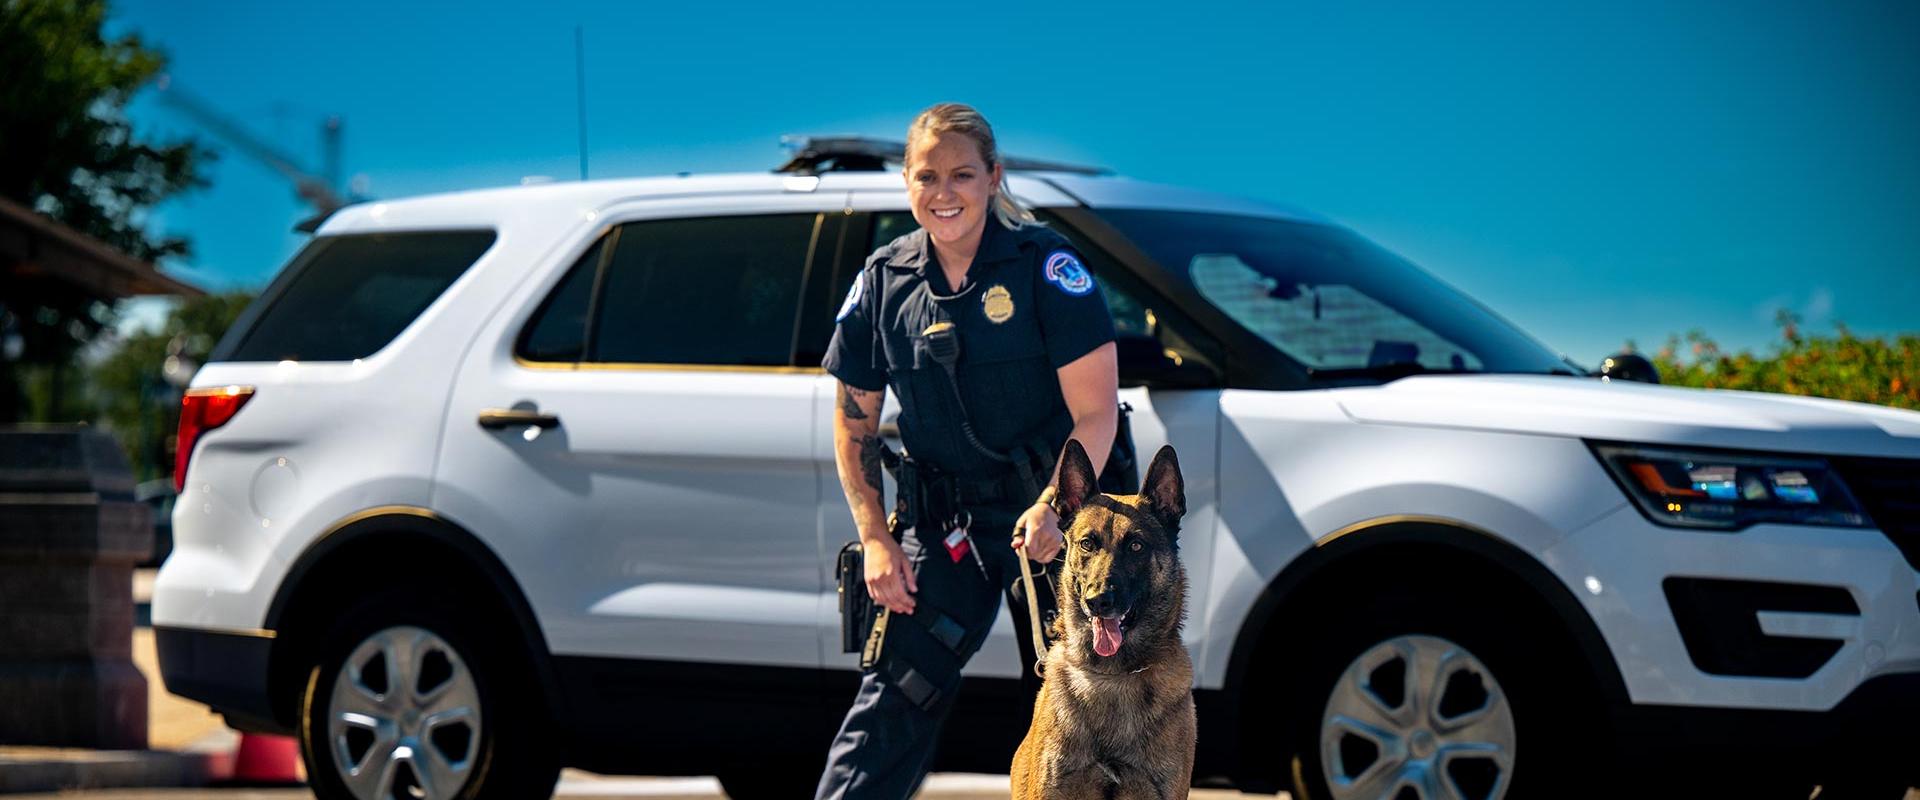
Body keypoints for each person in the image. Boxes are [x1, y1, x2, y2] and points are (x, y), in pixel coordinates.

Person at [815, 102, 1120, 800]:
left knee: (1088, 713)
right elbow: (854, 426)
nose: (943, 193)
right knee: (894, 694)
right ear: (907, 182)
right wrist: (874, 540)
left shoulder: (1047, 268)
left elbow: (1097, 413)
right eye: (927, 176)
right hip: (946, 526)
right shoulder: (884, 284)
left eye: (961, 174)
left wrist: (1054, 508)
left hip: (1057, 521)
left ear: (992, 178)